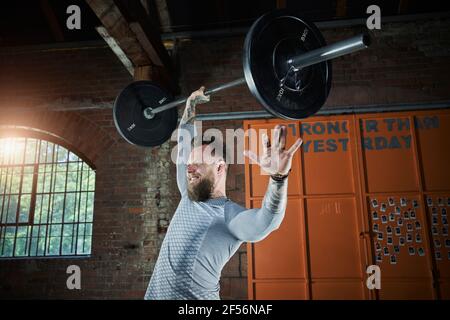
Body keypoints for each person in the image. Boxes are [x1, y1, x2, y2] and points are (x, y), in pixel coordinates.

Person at [144, 86, 303, 300]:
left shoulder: (228, 217)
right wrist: (191, 104)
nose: (189, 168)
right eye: (189, 164)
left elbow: (267, 221)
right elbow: (183, 144)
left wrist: (278, 179)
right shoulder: (188, 195)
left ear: (220, 168)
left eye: (198, 164)